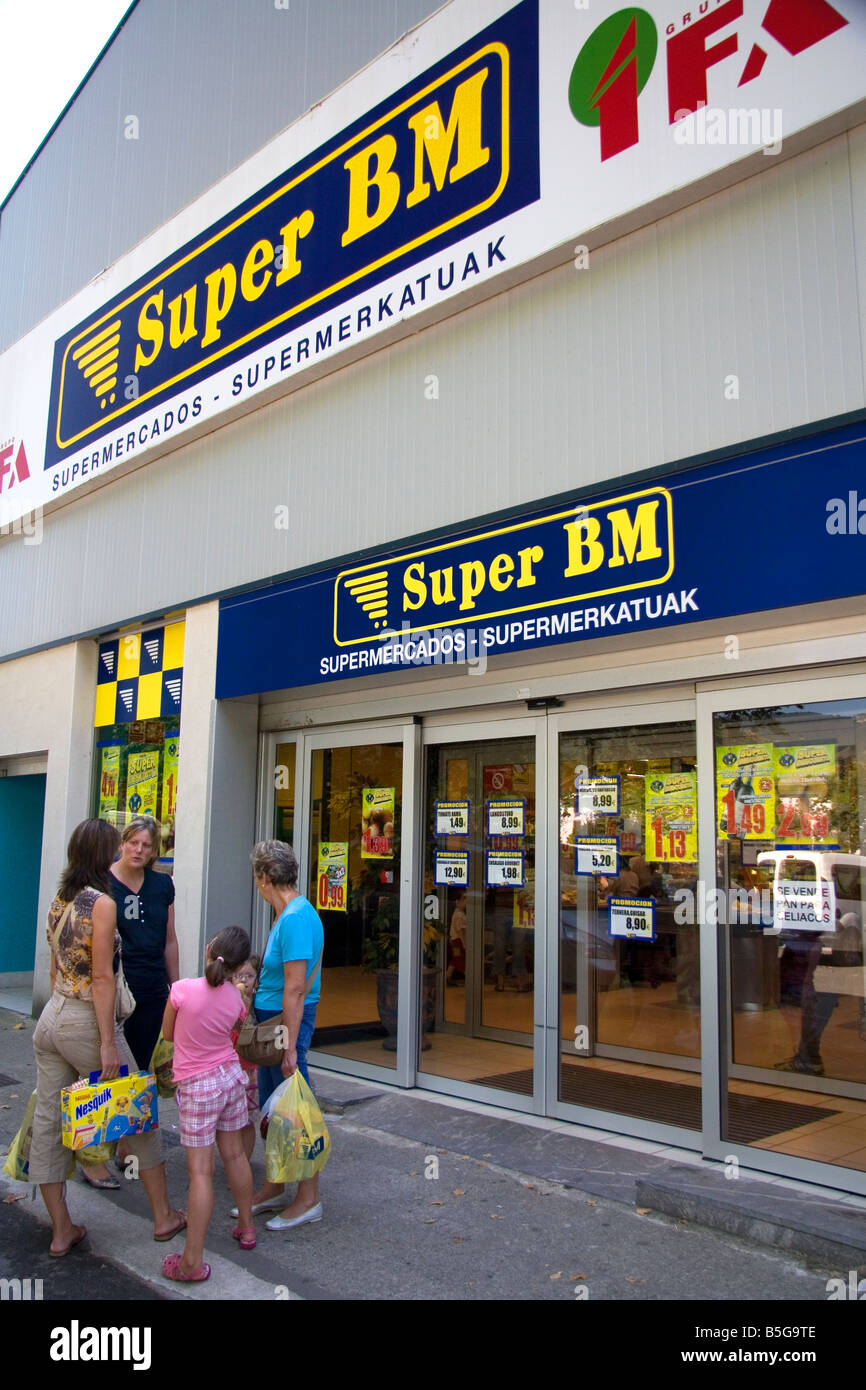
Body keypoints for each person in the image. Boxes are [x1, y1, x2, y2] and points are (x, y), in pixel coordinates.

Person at [28, 819, 186, 1255]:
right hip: (83, 1020)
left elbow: (55, 966)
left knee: (49, 1122)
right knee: (137, 1113)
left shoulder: (60, 899)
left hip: (52, 1019)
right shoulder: (100, 903)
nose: (129, 850)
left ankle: (62, 1229)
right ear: (102, 853)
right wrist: (107, 1041)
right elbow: (102, 978)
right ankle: (163, 1218)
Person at [237, 839, 324, 1231]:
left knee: (295, 1110)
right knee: (275, 1110)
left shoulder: (295, 918)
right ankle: (275, 1185)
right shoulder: (286, 913)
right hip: (274, 1021)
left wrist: (288, 1046)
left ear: (266, 877)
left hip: (287, 1023)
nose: (256, 883)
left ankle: (308, 1199)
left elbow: (295, 988)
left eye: (257, 876)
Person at [160, 926, 256, 1281]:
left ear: (208, 950)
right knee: (234, 1156)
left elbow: (168, 1034)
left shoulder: (181, 991)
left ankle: (191, 1261)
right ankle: (246, 1227)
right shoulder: (236, 999)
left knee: (201, 1173)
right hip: (230, 1078)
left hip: (197, 1087)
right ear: (237, 967)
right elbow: (233, 1027)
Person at [108, 815, 179, 1071]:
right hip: (117, 991)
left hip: (153, 989)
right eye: (133, 842)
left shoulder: (162, 885)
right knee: (117, 1070)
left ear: (154, 851)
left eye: (146, 845)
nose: (139, 850)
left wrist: (176, 989)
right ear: (122, 843)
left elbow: (170, 940)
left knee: (144, 1068)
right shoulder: (104, 884)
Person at [230, 954, 262, 1161]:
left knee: (247, 1121)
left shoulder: (257, 1005)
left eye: (249, 976)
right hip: (231, 1069)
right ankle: (234, 1159)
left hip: (250, 1071)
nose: (243, 980)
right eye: (238, 976)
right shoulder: (227, 1001)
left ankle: (244, 1161)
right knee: (230, 1121)